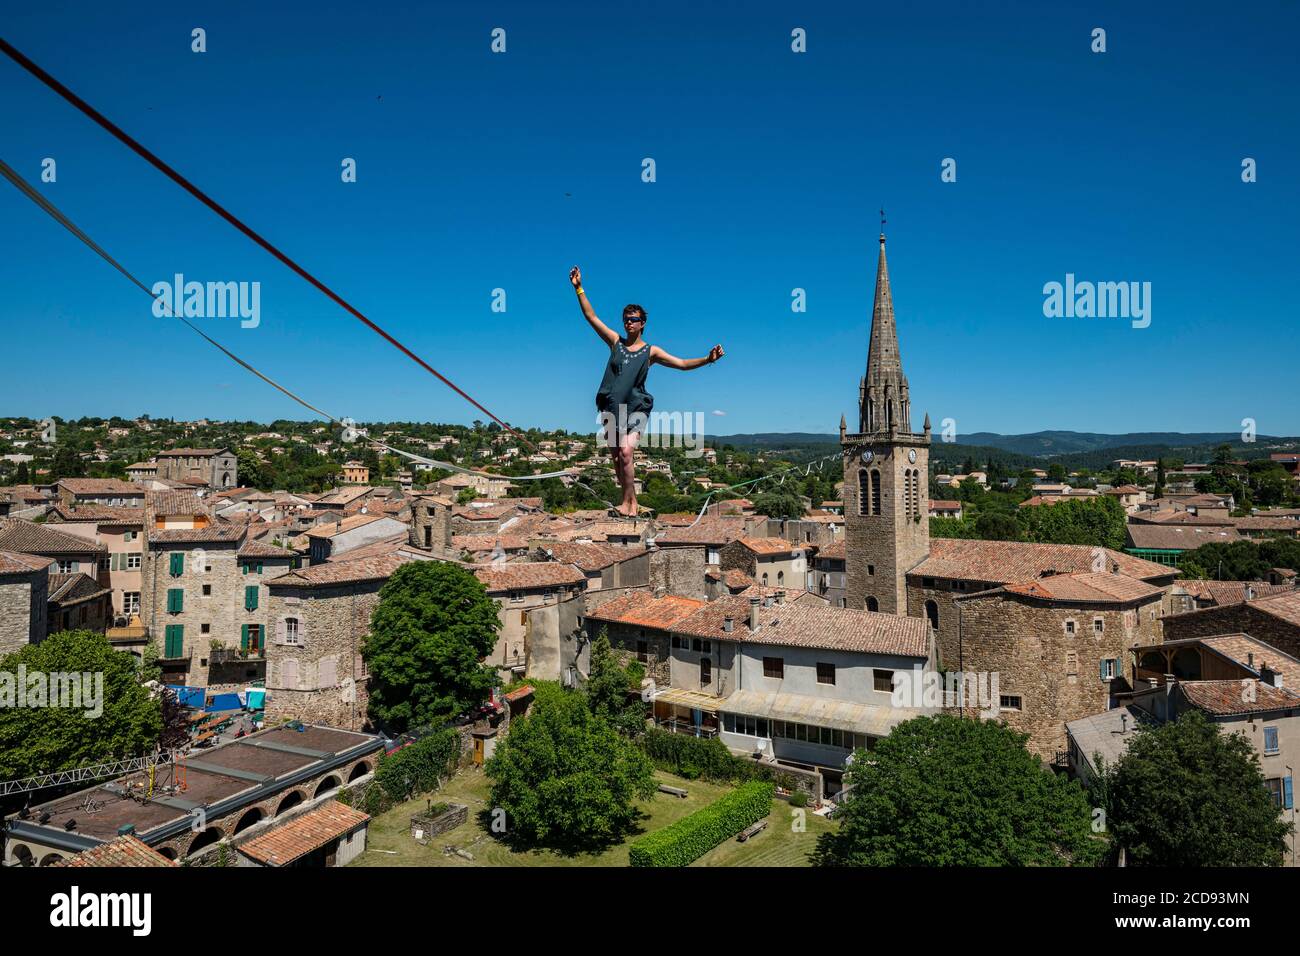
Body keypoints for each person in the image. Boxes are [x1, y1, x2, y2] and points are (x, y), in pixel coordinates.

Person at [570, 265, 723, 517]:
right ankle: (626, 500)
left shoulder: (650, 351)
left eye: (634, 319)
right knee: (617, 459)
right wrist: (579, 288)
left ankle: (632, 505)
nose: (629, 323)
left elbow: (682, 364)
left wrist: (708, 359)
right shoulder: (615, 342)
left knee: (627, 452)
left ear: (642, 323)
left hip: (636, 407)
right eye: (626, 319)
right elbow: (592, 317)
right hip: (610, 406)